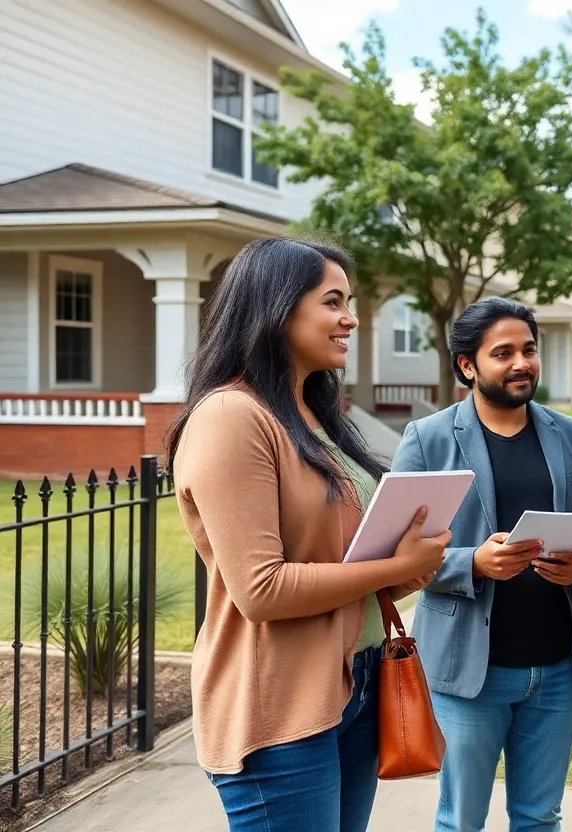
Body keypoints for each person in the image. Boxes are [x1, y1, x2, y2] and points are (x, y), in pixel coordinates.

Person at [169, 238, 449, 832]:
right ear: (277, 308)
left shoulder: (315, 417)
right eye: (333, 301)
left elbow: (336, 571)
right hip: (280, 708)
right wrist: (393, 569)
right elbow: (261, 590)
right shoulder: (231, 417)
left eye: (350, 301)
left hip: (357, 685)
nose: (350, 317)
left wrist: (411, 566)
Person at [390, 297, 572, 832]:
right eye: (504, 352)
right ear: (468, 365)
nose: (522, 363)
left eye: (529, 350)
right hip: (469, 672)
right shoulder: (428, 439)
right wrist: (473, 563)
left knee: (540, 817)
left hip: (556, 667)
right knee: (462, 820)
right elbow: (394, 553)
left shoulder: (570, 435)